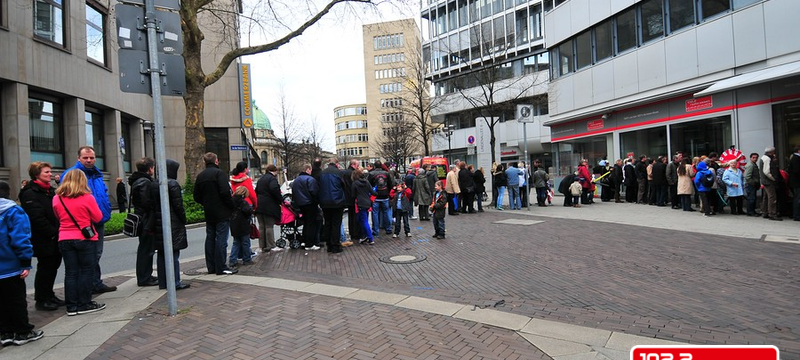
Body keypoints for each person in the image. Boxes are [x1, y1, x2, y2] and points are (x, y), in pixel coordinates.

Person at [52, 170, 106, 315]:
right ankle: (84, 303)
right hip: (85, 238)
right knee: (87, 271)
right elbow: (97, 217)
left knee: (71, 272)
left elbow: (57, 216)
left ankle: (71, 306)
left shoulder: (57, 198)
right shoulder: (87, 198)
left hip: (64, 237)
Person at [63, 146, 115, 294]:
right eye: (85, 158)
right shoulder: (72, 175)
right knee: (86, 258)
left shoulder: (97, 174)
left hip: (98, 221)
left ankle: (95, 283)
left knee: (96, 254)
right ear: (78, 158)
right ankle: (86, 288)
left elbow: (103, 193)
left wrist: (106, 209)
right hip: (83, 224)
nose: (89, 160)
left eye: (91, 157)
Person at [0, 180, 45, 346]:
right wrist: (25, 261)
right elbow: (20, 238)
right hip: (11, 265)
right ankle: (23, 331)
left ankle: (5, 332)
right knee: (16, 300)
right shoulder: (13, 211)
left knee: (1, 302)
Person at [18, 162, 64, 311]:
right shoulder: (29, 193)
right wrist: (52, 232)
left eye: (50, 172)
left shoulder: (50, 191)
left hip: (54, 235)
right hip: (43, 238)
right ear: (36, 174)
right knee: (45, 268)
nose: (50, 174)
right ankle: (42, 299)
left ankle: (49, 295)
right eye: (46, 172)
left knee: (53, 267)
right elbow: (36, 217)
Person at [147, 159, 190, 290]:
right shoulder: (173, 184)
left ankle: (163, 281)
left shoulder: (154, 184)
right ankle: (175, 281)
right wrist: (183, 218)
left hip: (158, 222)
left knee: (161, 254)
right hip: (173, 223)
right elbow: (178, 205)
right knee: (173, 253)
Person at [194, 152, 238, 275]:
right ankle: (221, 266)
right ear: (216, 161)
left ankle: (211, 266)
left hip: (209, 212)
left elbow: (196, 196)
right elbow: (225, 192)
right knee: (221, 240)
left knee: (210, 239)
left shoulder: (201, 176)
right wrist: (231, 206)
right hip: (222, 212)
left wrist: (207, 203)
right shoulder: (219, 174)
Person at [129, 157, 158, 287]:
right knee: (146, 249)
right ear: (150, 168)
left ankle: (145, 275)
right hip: (146, 220)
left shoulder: (137, 181)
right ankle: (144, 277)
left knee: (144, 249)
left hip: (142, 218)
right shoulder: (145, 182)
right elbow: (147, 202)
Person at [319, 157, 346, 254]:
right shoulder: (339, 173)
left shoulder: (322, 173)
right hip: (337, 202)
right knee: (336, 224)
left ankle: (329, 245)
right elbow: (344, 186)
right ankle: (335, 245)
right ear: (337, 164)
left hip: (324, 202)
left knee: (327, 223)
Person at [292, 164, 321, 250]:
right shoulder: (310, 179)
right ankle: (310, 244)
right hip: (310, 204)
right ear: (308, 170)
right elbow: (314, 192)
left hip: (300, 205)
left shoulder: (296, 180)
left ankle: (304, 241)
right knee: (311, 224)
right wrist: (317, 202)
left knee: (306, 223)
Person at [255, 164, 283, 252]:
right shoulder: (272, 179)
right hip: (269, 206)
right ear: (274, 171)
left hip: (259, 205)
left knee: (261, 226)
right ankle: (271, 245)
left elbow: (256, 191)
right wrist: (280, 200)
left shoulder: (261, 179)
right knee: (269, 226)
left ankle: (262, 246)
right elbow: (274, 189)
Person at [229, 187, 254, 268]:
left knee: (236, 243)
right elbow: (248, 211)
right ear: (243, 194)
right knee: (245, 243)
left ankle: (232, 260)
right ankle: (247, 259)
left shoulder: (231, 201)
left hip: (234, 224)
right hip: (243, 225)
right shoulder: (243, 202)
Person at [351, 169, 376, 245]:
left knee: (363, 221)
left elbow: (353, 195)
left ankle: (370, 237)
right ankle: (366, 235)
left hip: (360, 203)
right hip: (367, 203)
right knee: (362, 219)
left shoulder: (354, 183)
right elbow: (372, 192)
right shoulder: (367, 182)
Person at [369, 161, 394, 234]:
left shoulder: (371, 174)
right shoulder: (386, 173)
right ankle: (388, 229)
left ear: (374, 166)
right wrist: (388, 192)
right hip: (385, 195)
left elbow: (369, 185)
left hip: (375, 196)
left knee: (375, 214)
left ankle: (375, 230)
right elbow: (390, 184)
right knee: (386, 213)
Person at [757, 147, 781, 221]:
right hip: (769, 181)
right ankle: (772, 213)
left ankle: (765, 212)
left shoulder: (763, 158)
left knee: (766, 197)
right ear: (771, 152)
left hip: (765, 181)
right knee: (772, 197)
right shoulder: (767, 159)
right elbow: (766, 171)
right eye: (773, 152)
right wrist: (773, 178)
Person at [341, 160, 360, 244]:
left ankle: (352, 232)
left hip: (347, 197)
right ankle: (355, 233)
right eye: (357, 165)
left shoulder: (344, 173)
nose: (358, 167)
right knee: (355, 215)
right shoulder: (353, 173)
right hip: (353, 197)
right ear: (353, 165)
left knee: (350, 215)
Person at [743, 152, 761, 216]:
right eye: (753, 157)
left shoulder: (753, 164)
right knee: (751, 198)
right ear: (750, 158)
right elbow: (747, 176)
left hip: (752, 184)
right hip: (750, 184)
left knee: (752, 198)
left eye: (756, 158)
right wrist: (753, 183)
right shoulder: (750, 165)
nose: (755, 159)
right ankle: (750, 212)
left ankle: (752, 211)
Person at [788, 145, 800, 221]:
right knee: (798, 199)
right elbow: (797, 171)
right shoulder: (796, 159)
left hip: (795, 182)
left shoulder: (794, 158)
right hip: (797, 182)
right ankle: (796, 215)